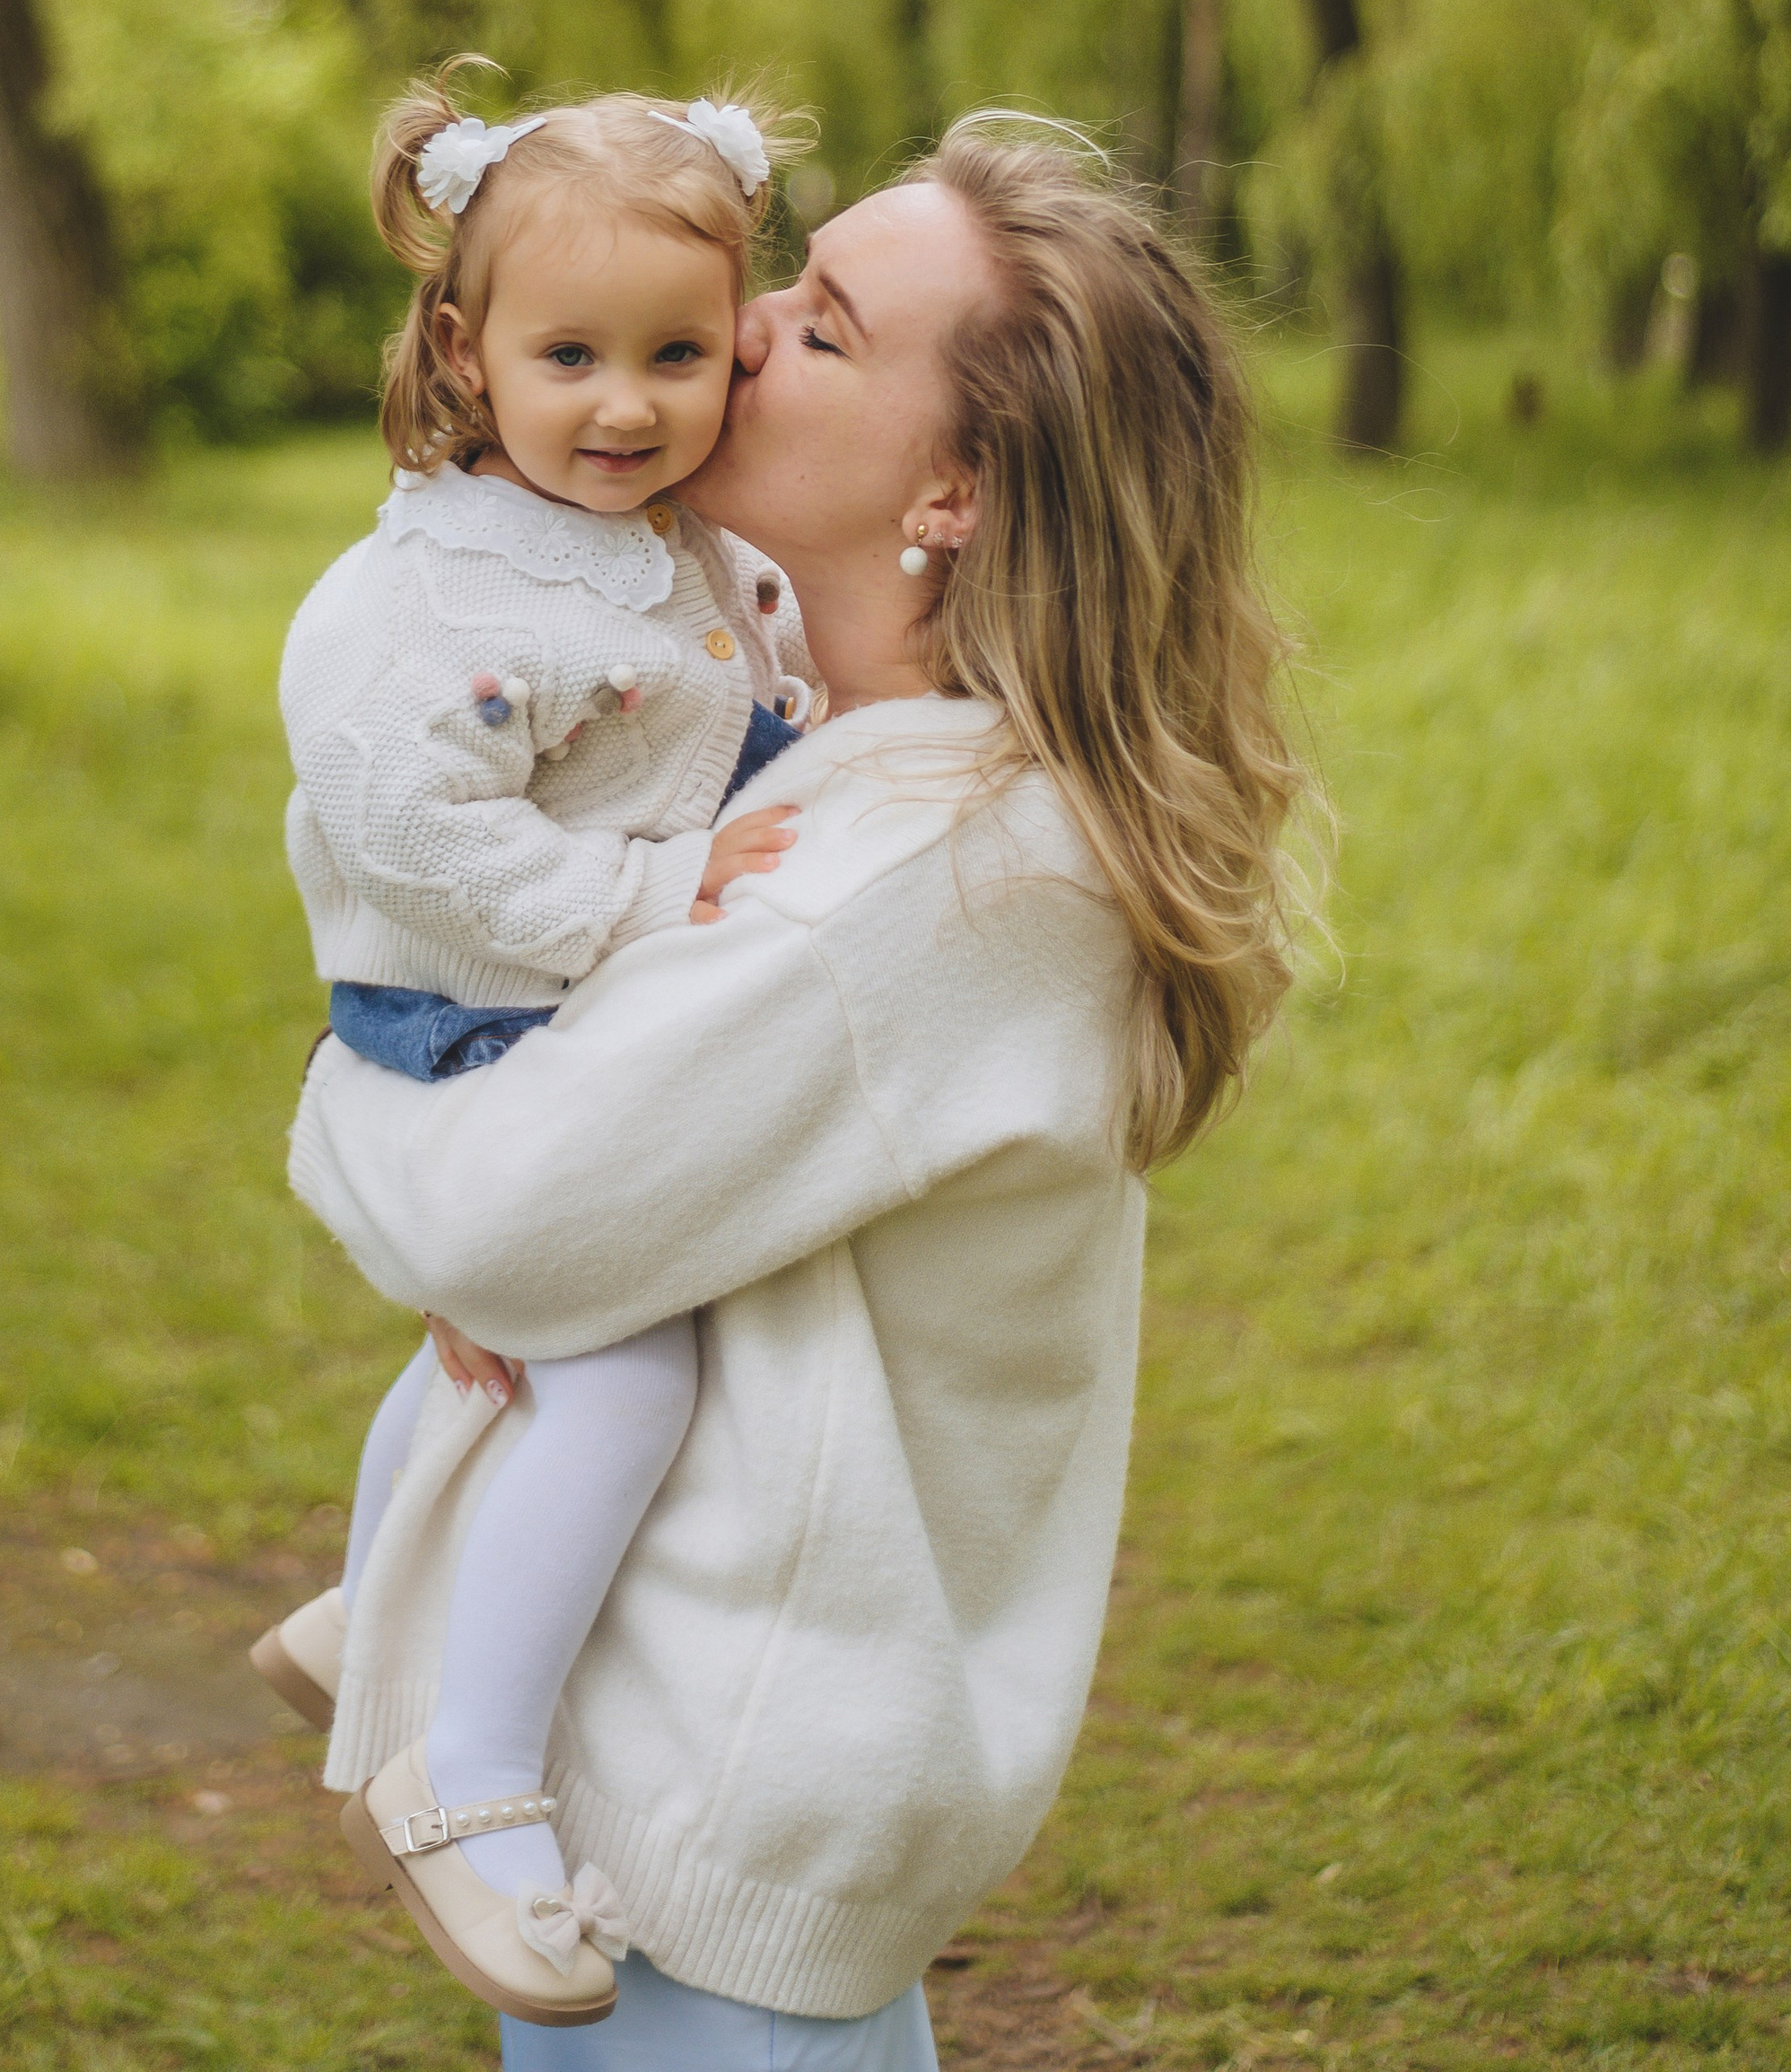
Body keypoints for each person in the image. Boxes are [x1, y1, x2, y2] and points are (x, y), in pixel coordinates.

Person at [290, 116, 1311, 2068]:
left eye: (821, 324)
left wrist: (352, 1083)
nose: (731, 329)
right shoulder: (808, 755)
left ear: (956, 483)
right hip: (686, 1765)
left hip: (729, 1809)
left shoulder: (918, 869)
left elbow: (509, 1215)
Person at [255, 65, 818, 2027]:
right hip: (473, 1006)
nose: (625, 401)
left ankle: (367, 1600)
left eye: (678, 351)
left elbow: (724, 697)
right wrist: (654, 900)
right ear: (463, 348)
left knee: (512, 1350)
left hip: (541, 998)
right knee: (618, 1361)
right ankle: (467, 1764)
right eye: (567, 350)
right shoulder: (447, 584)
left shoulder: (648, 540)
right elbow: (410, 821)